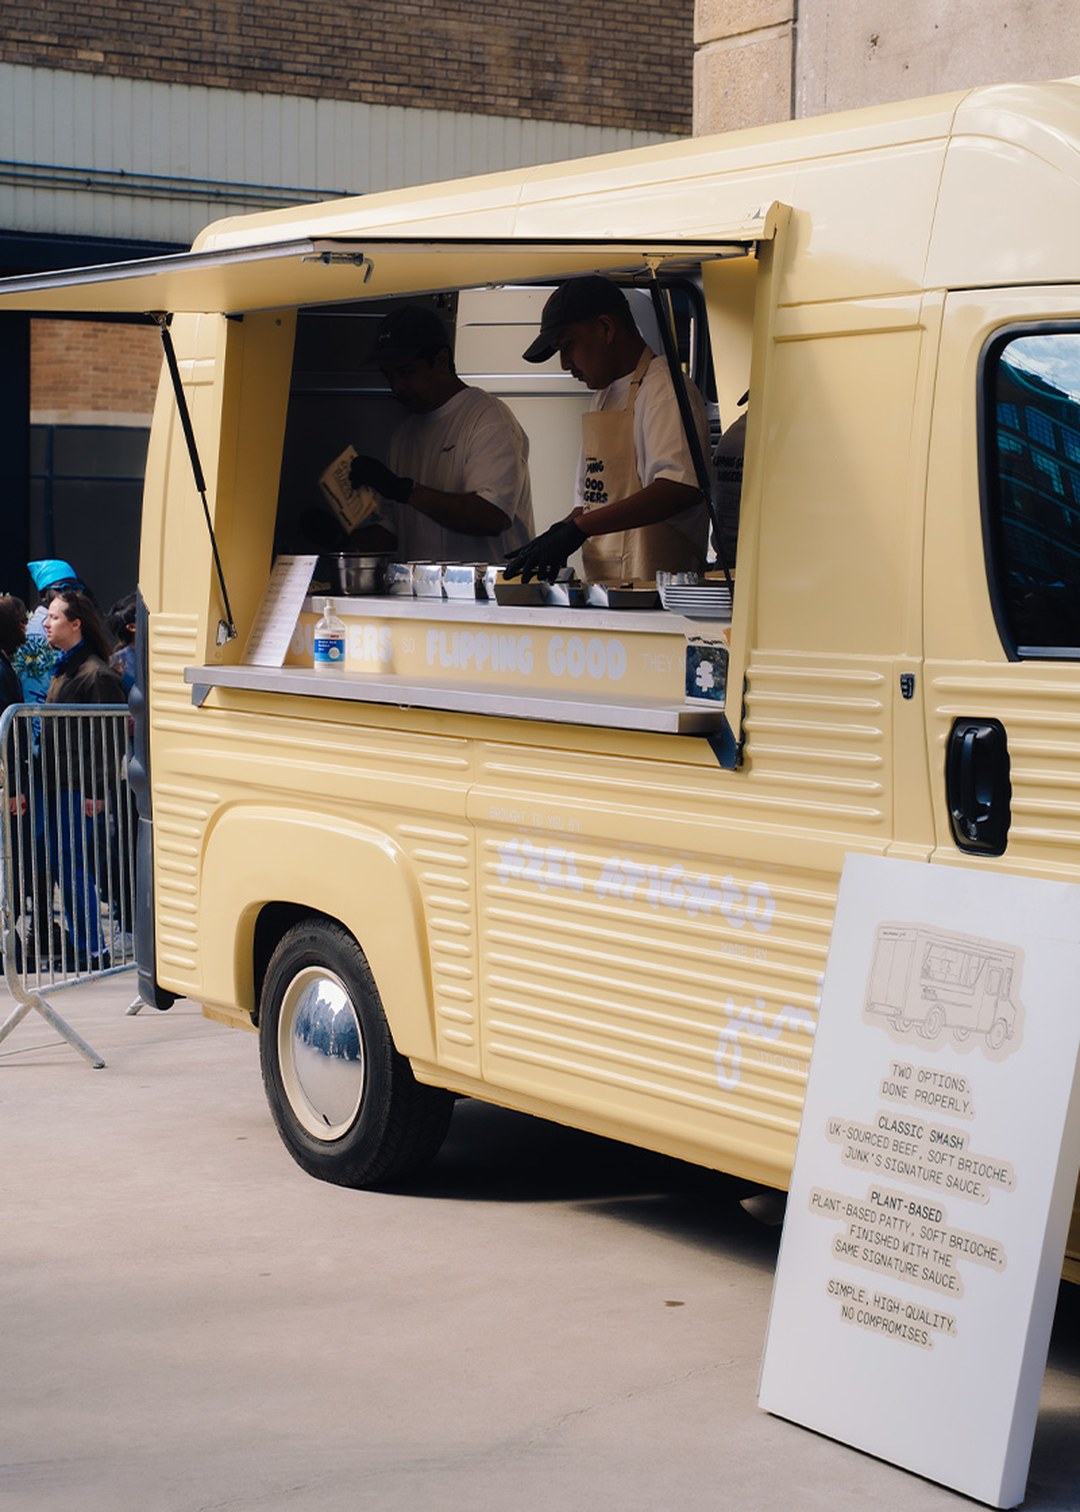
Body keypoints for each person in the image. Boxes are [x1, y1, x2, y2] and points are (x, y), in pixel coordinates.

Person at [505, 275, 711, 584]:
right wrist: (558, 533)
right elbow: (591, 503)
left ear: (606, 328)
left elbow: (678, 488)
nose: (564, 364)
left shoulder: (664, 388)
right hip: (607, 586)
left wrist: (579, 528)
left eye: (568, 346)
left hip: (661, 592)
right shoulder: (602, 396)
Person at [344, 304, 535, 564]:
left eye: (406, 372)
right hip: (423, 599)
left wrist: (403, 490)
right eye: (388, 376)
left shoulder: (487, 418)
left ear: (442, 361)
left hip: (488, 600)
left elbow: (492, 516)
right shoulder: (404, 435)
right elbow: (394, 530)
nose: (397, 386)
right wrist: (341, 544)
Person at [42, 590, 126, 972]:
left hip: (79, 788)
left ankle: (93, 949)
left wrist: (95, 792)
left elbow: (107, 741)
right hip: (61, 784)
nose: (46, 622)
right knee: (65, 865)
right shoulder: (68, 668)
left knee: (73, 865)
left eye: (55, 617)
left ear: (76, 624)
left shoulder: (95, 673)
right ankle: (83, 944)